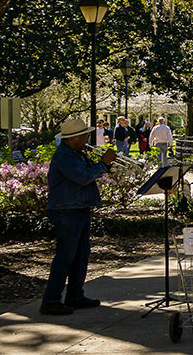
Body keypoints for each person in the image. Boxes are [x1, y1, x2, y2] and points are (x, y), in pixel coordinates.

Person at [41, 119, 116, 316]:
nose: (87, 139)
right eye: (84, 136)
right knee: (66, 256)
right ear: (73, 138)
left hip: (79, 207)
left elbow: (88, 174)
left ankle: (75, 295)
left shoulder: (76, 153)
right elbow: (83, 177)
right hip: (66, 209)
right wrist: (103, 164)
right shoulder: (64, 156)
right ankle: (51, 300)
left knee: (81, 255)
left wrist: (102, 165)